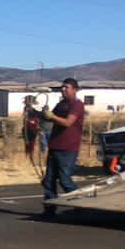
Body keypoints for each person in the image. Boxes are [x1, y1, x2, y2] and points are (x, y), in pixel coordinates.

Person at [41, 78, 86, 215]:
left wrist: (52, 116)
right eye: (62, 87)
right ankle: (50, 209)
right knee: (49, 180)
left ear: (75, 89)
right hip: (55, 145)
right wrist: (41, 113)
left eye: (66, 87)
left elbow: (67, 122)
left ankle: (81, 203)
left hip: (68, 147)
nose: (63, 89)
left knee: (64, 180)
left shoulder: (77, 105)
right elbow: (49, 118)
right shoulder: (61, 104)